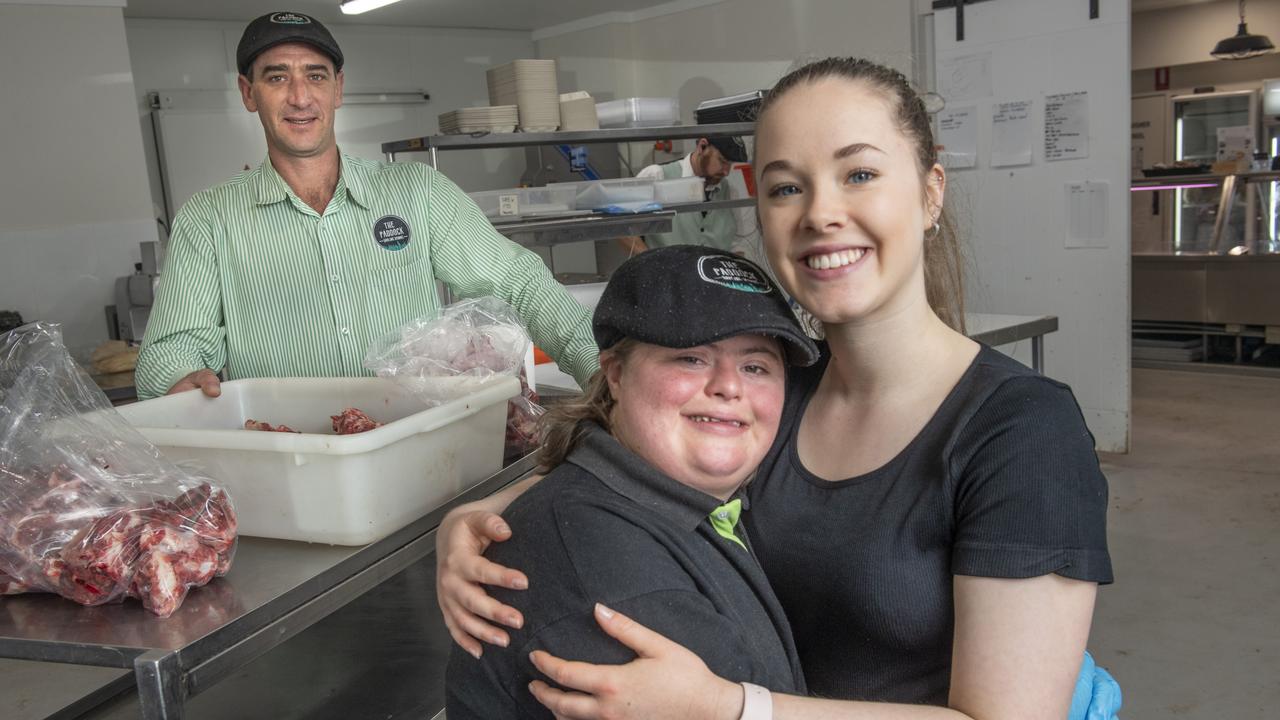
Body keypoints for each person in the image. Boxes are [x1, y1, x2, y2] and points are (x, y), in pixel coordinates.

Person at [436, 57, 1115, 720]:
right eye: (787, 187)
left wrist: (737, 708)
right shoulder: (783, 393)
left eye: (860, 174)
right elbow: (636, 463)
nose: (821, 213)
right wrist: (480, 518)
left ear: (931, 190)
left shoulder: (1023, 433)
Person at [135, 11, 598, 400]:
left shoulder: (417, 191)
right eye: (277, 77)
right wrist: (179, 378)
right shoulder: (209, 219)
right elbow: (169, 350)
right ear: (248, 93)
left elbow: (520, 282)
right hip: (294, 454)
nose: (300, 97)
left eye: (315, 76)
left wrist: (599, 373)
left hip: (419, 442)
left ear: (337, 88)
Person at [444, 245, 819, 718]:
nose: (729, 385)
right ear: (615, 374)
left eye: (756, 366)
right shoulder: (616, 579)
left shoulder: (681, 493)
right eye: (691, 358)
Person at [617, 134, 749, 255]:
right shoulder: (658, 176)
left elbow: (736, 244)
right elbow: (622, 227)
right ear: (702, 146)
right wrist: (651, 262)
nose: (726, 172)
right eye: (722, 161)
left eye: (730, 164)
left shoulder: (730, 191)